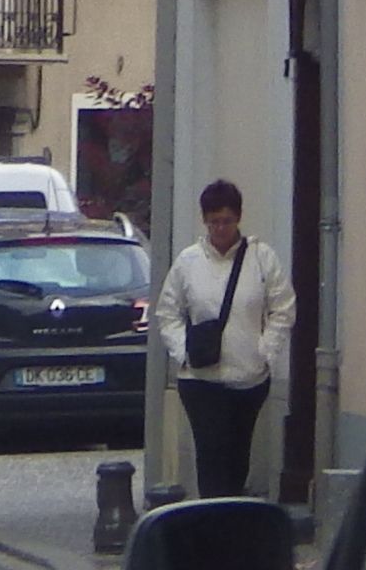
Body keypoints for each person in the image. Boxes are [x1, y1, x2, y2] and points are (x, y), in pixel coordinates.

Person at [157, 179, 293, 503]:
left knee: (237, 457)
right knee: (211, 454)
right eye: (214, 221)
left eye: (227, 221)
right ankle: (214, 522)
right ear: (205, 221)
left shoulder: (261, 258)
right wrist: (183, 352)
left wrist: (265, 352)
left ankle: (231, 520)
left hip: (248, 378)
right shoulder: (188, 262)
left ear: (238, 219)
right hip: (201, 378)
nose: (220, 228)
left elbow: (283, 308)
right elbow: (167, 312)